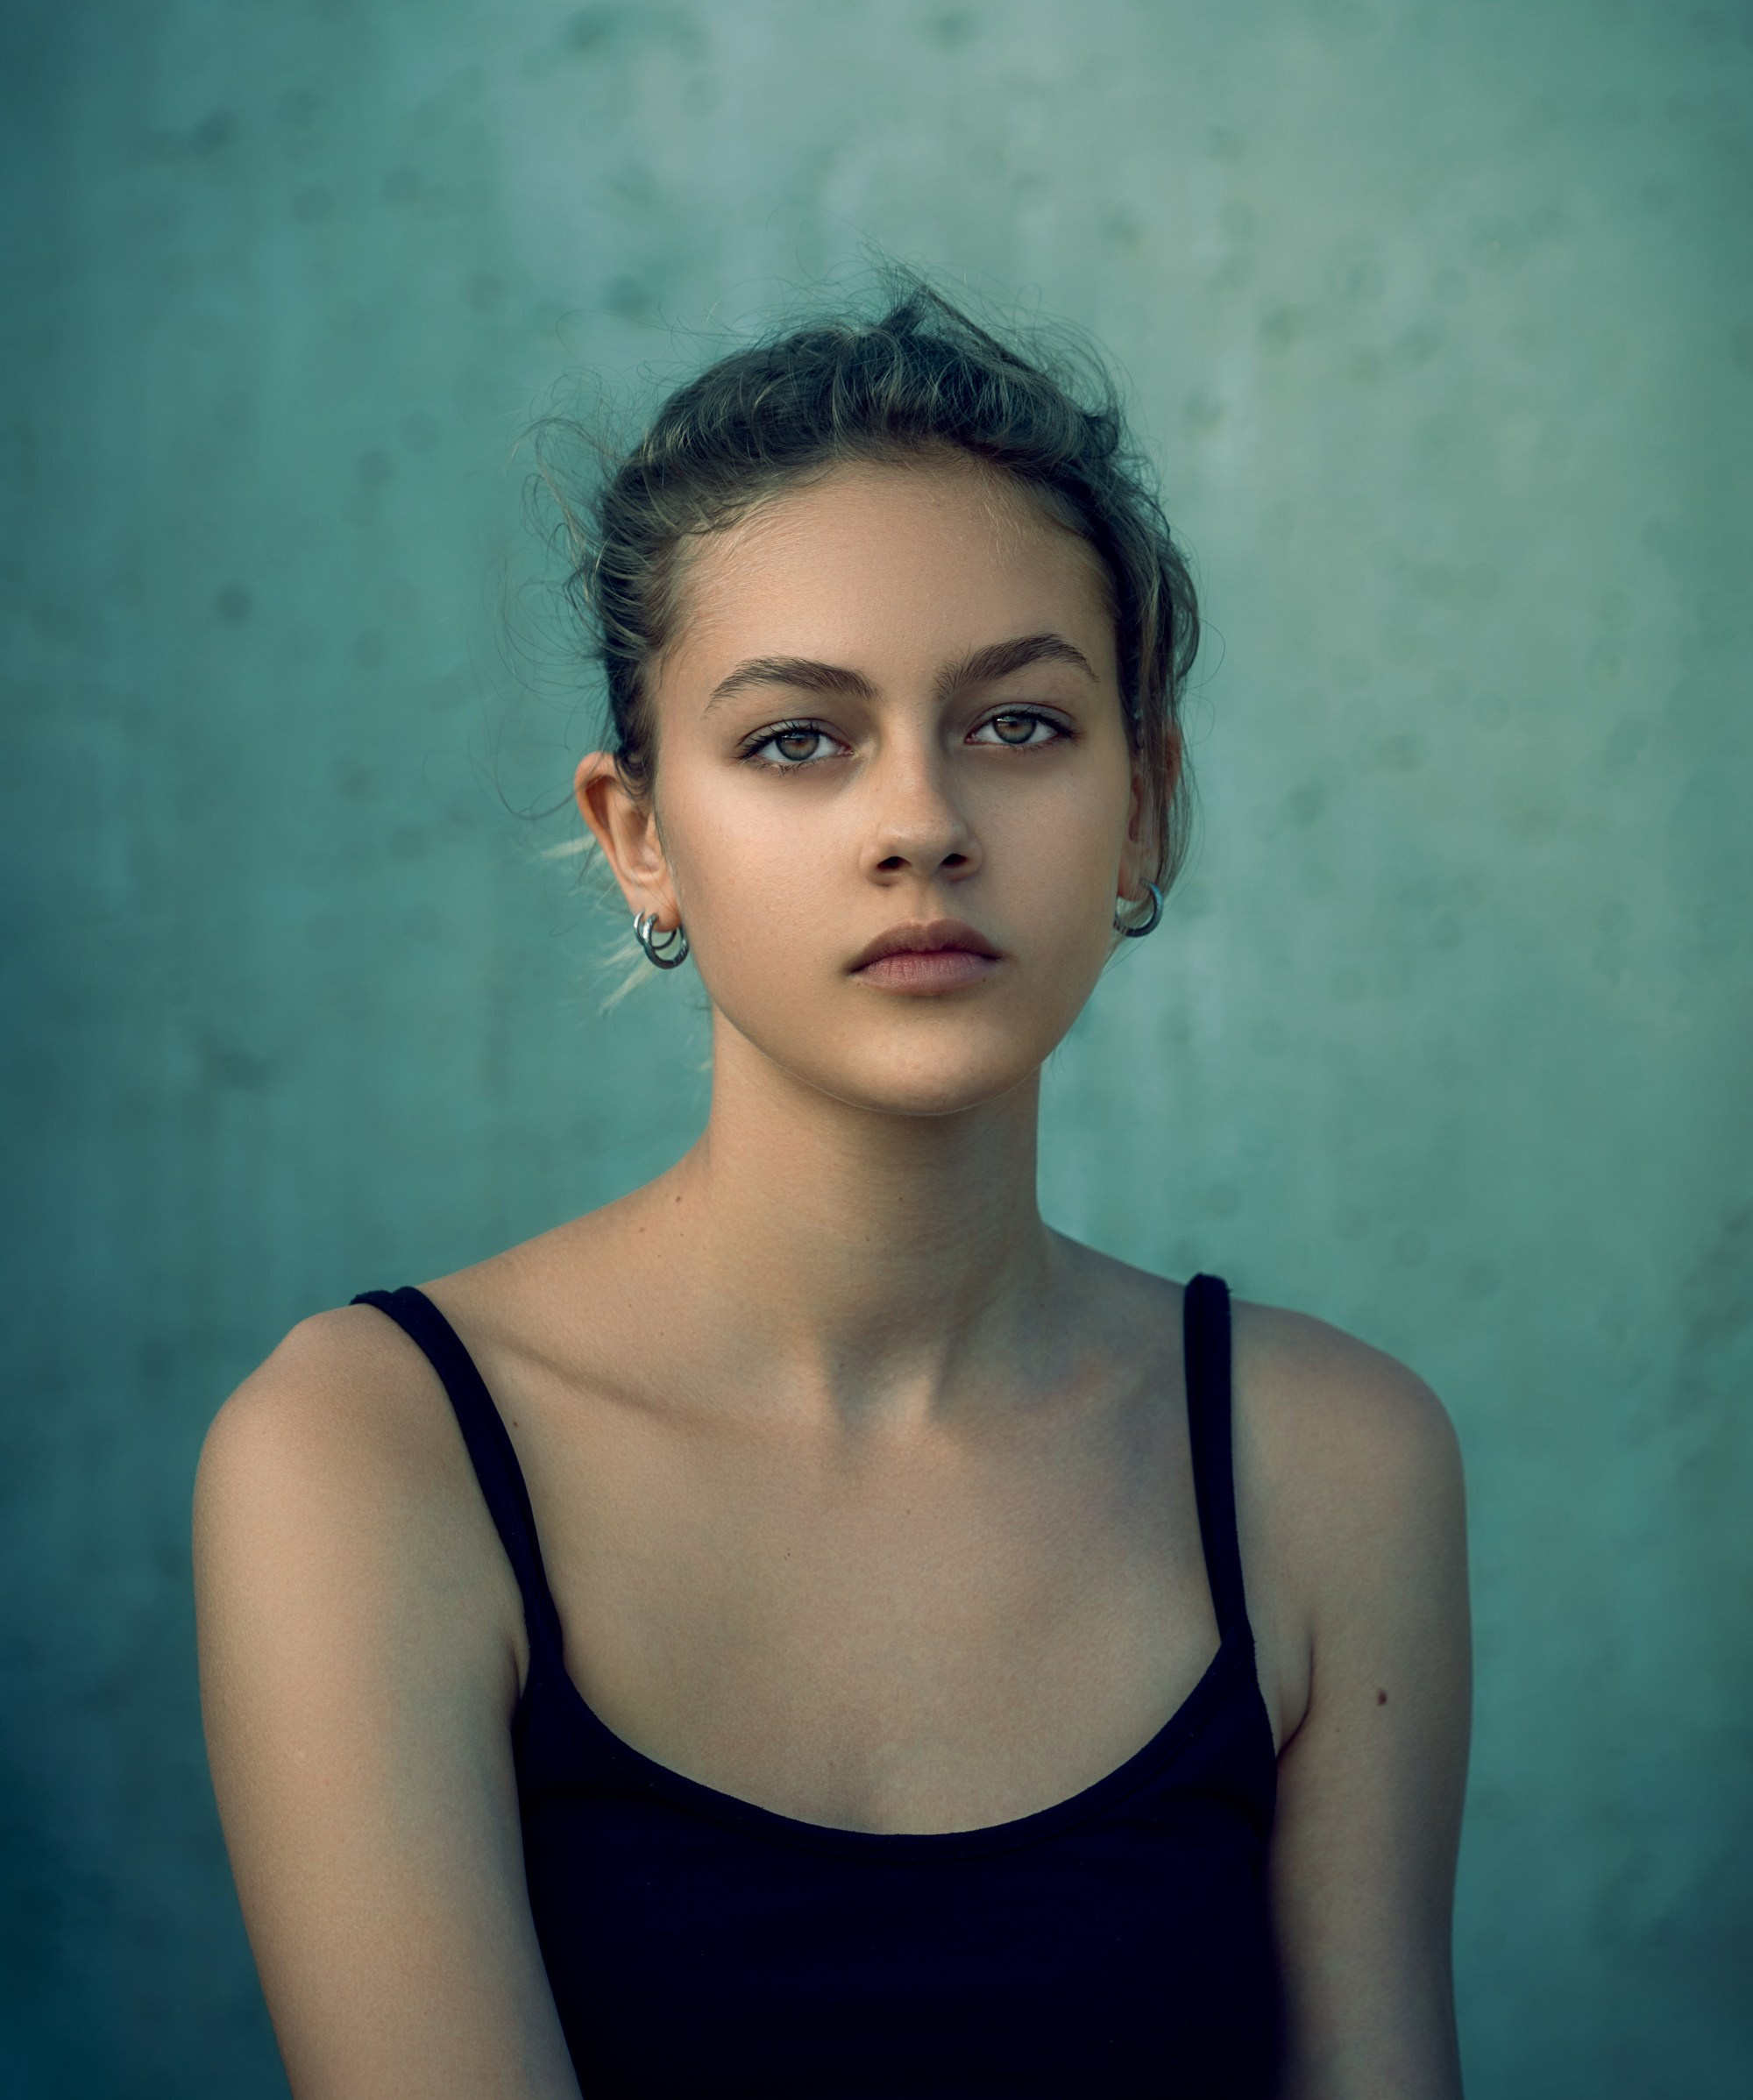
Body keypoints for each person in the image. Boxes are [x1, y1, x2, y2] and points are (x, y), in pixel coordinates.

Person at [194, 280, 1472, 2098]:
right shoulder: (369, 1452)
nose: (918, 820)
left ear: (1144, 805)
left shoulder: (1330, 1461)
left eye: (1019, 724)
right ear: (640, 832)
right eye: (799, 736)